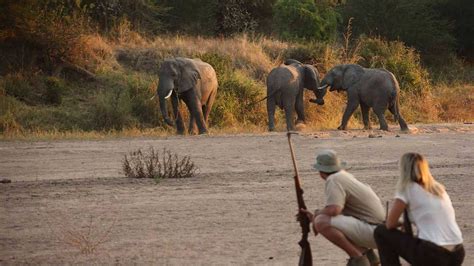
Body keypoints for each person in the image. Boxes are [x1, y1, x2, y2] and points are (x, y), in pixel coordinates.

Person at [374, 152, 465, 265]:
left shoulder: (407, 189)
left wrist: (400, 223)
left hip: (433, 254)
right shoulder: (438, 189)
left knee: (381, 232)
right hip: (457, 253)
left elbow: (390, 224)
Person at [300, 149, 385, 266]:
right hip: (379, 230)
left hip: (374, 231)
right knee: (324, 219)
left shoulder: (333, 179)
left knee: (321, 222)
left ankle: (358, 258)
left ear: (321, 171)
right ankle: (368, 256)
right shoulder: (344, 176)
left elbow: (335, 210)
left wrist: (316, 215)